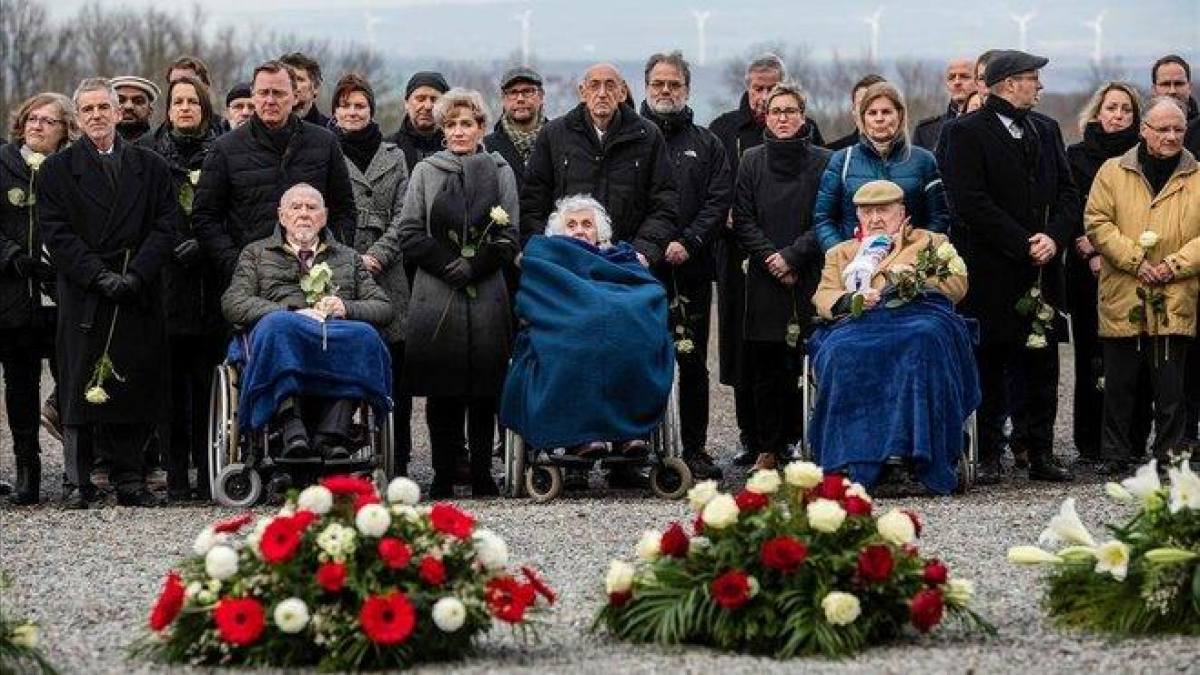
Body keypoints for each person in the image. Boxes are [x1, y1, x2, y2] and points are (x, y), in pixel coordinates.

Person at [38, 77, 178, 509]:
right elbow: (56, 233)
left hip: (136, 288)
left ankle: (130, 476)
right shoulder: (58, 171)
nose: (97, 115)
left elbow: (166, 224)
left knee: (133, 379)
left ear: (119, 113)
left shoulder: (150, 166)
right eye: (88, 110)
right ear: (78, 119)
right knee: (80, 381)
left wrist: (135, 275)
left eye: (105, 108)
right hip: (85, 291)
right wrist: (98, 276)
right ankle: (78, 480)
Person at [942, 50, 1077, 485]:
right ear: (1008, 83)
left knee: (1042, 362)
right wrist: (1023, 243)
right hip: (993, 268)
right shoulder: (965, 133)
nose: (1039, 86)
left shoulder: (1047, 129)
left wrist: (1053, 237)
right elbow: (969, 202)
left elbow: (1069, 194)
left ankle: (1039, 450)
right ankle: (987, 453)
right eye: (1032, 78)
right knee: (991, 360)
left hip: (1043, 269)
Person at [809, 180, 975, 493]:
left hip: (919, 320)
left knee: (924, 340)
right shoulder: (842, 253)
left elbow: (957, 288)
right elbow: (823, 295)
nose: (875, 218)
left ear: (902, 213)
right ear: (857, 216)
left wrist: (914, 281)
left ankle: (917, 455)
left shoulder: (931, 242)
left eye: (883, 210)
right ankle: (854, 459)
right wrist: (850, 300)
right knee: (839, 351)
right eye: (867, 212)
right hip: (859, 324)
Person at [396, 89, 519, 498]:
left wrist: (476, 264)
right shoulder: (426, 171)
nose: (459, 131)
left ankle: (483, 473)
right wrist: (447, 264)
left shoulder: (499, 169)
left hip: (486, 291)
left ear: (481, 127)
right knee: (442, 388)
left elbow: (509, 234)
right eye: (451, 125)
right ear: (442, 130)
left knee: (484, 388)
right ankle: (444, 473)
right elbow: (409, 231)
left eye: (467, 123)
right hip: (436, 292)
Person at [710, 53, 825, 467]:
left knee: (798, 361)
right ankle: (765, 446)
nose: (780, 117)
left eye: (789, 111)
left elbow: (826, 217)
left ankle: (797, 439)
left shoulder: (823, 161)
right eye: (775, 111)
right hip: (760, 273)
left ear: (802, 116)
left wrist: (794, 255)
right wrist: (772, 257)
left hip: (805, 272)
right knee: (763, 364)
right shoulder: (751, 159)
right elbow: (742, 216)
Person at [221, 183, 391, 462]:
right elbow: (233, 302)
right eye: (295, 207)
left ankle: (331, 434)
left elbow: (383, 307)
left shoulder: (348, 258)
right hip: (283, 335)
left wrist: (345, 306)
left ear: (323, 216)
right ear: (281, 215)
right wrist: (288, 311)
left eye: (312, 208)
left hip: (333, 338)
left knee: (365, 335)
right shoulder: (256, 253)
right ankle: (292, 431)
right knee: (277, 325)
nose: (304, 214)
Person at [500, 195, 674, 464]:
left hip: (622, 335)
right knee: (575, 349)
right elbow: (532, 299)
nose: (580, 230)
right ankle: (581, 436)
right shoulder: (546, 259)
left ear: (599, 232)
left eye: (586, 224)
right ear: (560, 232)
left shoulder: (620, 258)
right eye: (571, 225)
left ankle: (630, 434)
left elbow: (649, 290)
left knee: (636, 345)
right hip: (564, 331)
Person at [1086, 96, 1200, 474]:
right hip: (1124, 288)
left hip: (1175, 290)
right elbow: (1098, 222)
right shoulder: (1112, 171)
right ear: (1144, 130)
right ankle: (1115, 453)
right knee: (1119, 382)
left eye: (1178, 130)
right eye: (1163, 129)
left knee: (1171, 386)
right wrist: (1136, 261)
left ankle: (1168, 456)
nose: (1171, 136)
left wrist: (1172, 265)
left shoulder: (1197, 176)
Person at [640, 50, 732, 481]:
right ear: (646, 87)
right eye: (658, 83)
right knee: (638, 357)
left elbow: (718, 200)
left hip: (691, 270)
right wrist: (650, 247)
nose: (665, 91)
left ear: (687, 89)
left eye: (673, 84)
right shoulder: (631, 139)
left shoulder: (706, 143)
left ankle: (693, 447)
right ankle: (638, 447)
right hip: (639, 270)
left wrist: (690, 241)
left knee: (692, 361)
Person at [136, 75, 225, 502]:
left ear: (205, 109)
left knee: (207, 384)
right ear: (168, 109)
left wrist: (207, 245)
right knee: (170, 388)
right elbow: (142, 215)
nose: (185, 108)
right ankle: (174, 475)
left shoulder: (223, 153)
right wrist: (169, 244)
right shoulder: (149, 156)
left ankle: (209, 474)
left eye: (193, 101)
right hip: (165, 281)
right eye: (178, 101)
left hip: (210, 282)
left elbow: (231, 212)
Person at [193, 60, 356, 286]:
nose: (270, 100)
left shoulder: (325, 143)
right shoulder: (225, 149)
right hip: (250, 281)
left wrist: (331, 259)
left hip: (316, 276)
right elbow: (205, 217)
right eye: (263, 93)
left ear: (294, 96)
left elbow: (343, 209)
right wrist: (237, 265)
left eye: (278, 93)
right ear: (254, 96)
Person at [330, 72, 414, 476]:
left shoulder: (395, 156)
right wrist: (347, 259)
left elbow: (405, 213)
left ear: (371, 111)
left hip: (388, 271)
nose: (352, 112)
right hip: (340, 268)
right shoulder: (325, 152)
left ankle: (398, 458)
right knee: (342, 358)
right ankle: (340, 447)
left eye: (359, 105)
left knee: (394, 364)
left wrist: (379, 254)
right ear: (334, 111)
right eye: (345, 105)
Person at [520, 63, 677, 267]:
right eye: (594, 86)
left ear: (622, 93)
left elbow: (664, 202)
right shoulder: (554, 134)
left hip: (627, 262)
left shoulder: (647, 136)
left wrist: (642, 252)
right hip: (564, 262)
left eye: (610, 86)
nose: (602, 94)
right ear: (583, 92)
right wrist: (545, 251)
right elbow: (533, 201)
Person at [0, 93, 77, 505]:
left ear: (65, 130)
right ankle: (27, 467)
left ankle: (78, 466)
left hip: (62, 295)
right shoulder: (3, 164)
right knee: (21, 384)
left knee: (71, 379)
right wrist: (15, 258)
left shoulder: (72, 168)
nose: (38, 126)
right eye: (33, 118)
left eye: (49, 121)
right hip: (13, 296)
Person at [1066, 82, 1146, 465]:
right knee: (1090, 355)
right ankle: (1089, 442)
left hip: (1133, 266)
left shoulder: (1145, 157)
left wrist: (1116, 252)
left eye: (1126, 109)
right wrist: (1088, 247)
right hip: (1087, 269)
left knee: (1131, 355)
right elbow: (1070, 205)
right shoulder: (1076, 155)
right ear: (1097, 112)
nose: (1118, 115)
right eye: (1111, 107)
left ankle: (1129, 440)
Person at [813, 82, 950, 252]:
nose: (879, 118)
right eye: (872, 113)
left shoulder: (923, 160)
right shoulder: (842, 160)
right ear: (863, 118)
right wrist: (842, 254)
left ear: (899, 114)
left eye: (886, 112)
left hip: (909, 268)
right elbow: (823, 219)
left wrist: (916, 253)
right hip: (853, 266)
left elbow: (939, 218)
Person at [484, 67, 546, 192]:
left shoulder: (557, 141)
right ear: (503, 99)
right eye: (512, 93)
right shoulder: (487, 149)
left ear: (541, 96)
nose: (520, 99)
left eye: (528, 91)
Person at [390, 71, 450, 172]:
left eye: (434, 100)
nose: (427, 106)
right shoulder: (387, 149)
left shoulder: (456, 150)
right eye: (420, 99)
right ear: (406, 104)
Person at [913, 58, 975, 152]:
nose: (957, 82)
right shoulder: (926, 131)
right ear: (946, 84)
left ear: (979, 82)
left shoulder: (992, 125)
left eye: (964, 76)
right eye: (951, 77)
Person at [825, 74, 887, 152]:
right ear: (853, 110)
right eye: (863, 103)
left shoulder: (906, 155)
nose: (871, 110)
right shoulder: (830, 154)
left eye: (879, 103)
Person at [279, 52, 330, 129]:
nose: (293, 85)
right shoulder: (265, 129)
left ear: (315, 87)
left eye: (299, 79)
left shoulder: (330, 130)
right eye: (288, 79)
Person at [111, 75, 160, 143]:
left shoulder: (163, 146)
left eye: (138, 101)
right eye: (120, 100)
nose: (128, 106)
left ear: (150, 112)